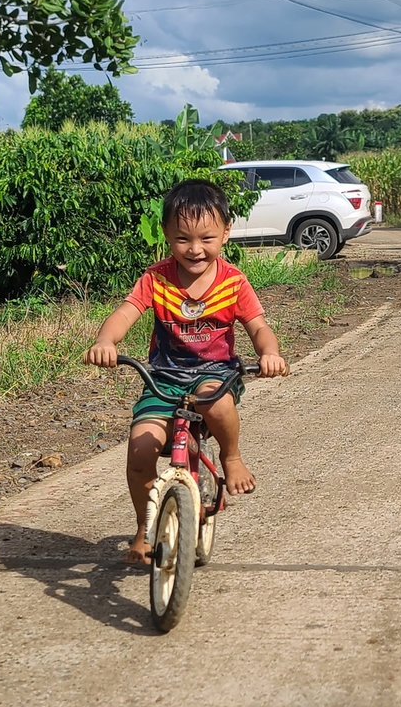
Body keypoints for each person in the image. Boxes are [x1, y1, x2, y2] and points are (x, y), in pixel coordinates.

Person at [84, 179, 288, 565]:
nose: (195, 249)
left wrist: (269, 353)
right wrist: (106, 342)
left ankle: (230, 456)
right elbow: (125, 313)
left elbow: (258, 327)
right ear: (165, 235)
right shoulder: (155, 279)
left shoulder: (233, 282)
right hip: (162, 376)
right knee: (141, 449)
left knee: (216, 401)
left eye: (207, 238)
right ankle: (145, 528)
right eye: (182, 239)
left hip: (214, 373)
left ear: (226, 232)